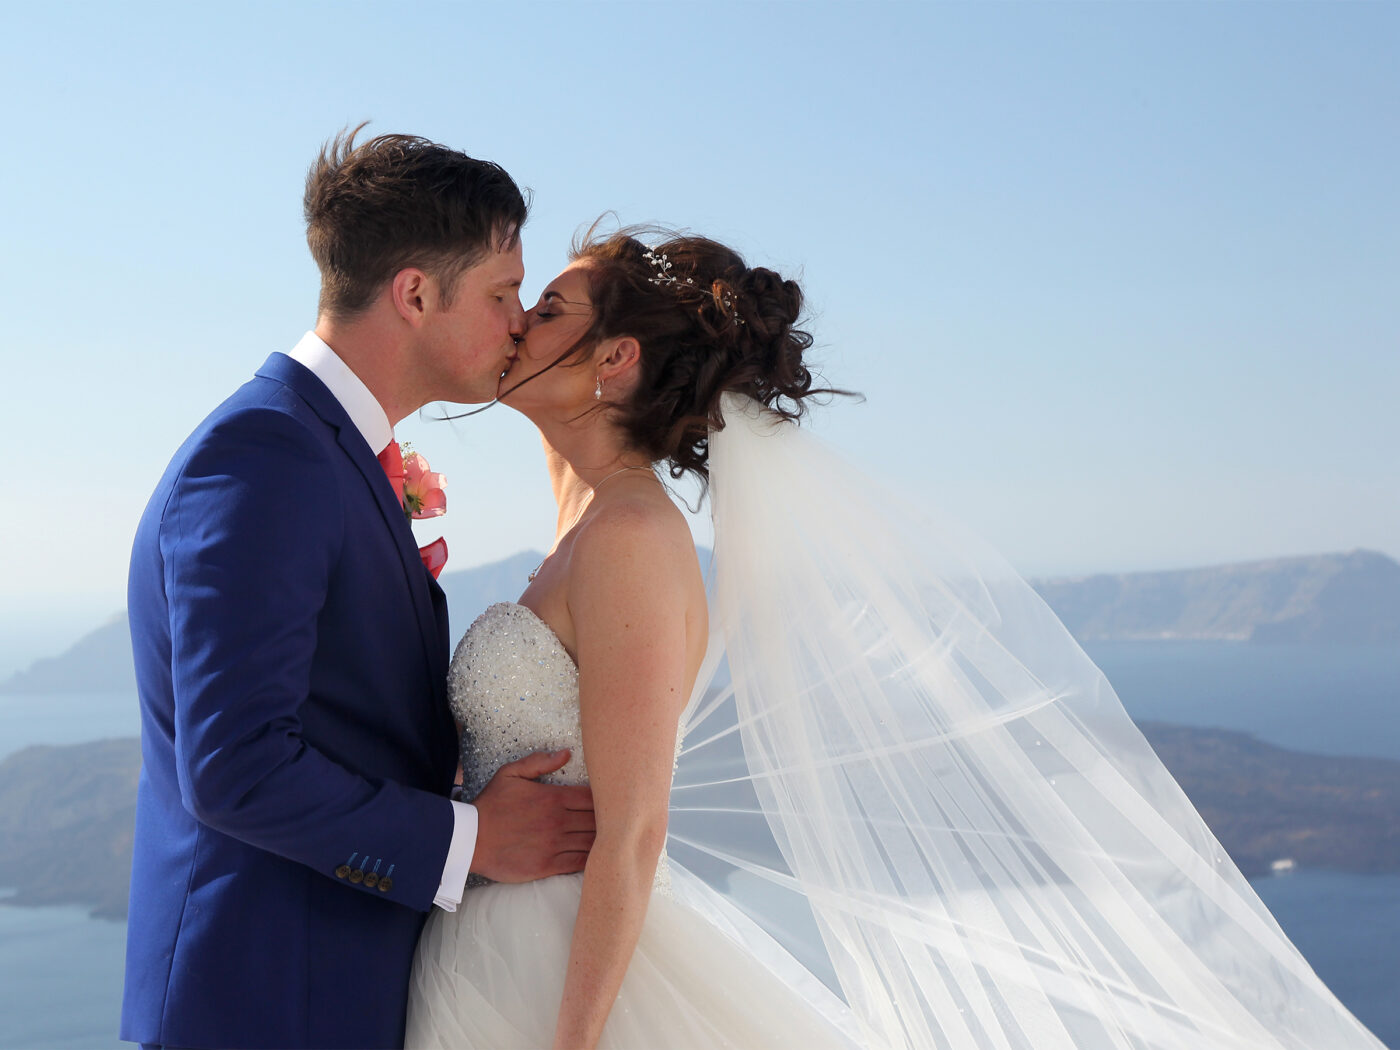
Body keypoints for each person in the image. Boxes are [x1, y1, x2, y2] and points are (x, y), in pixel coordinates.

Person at [405, 228, 1386, 1050]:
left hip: (554, 976)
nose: (515, 322)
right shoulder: (582, 510)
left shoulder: (628, 537)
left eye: (544, 311)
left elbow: (633, 833)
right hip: (492, 931)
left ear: (613, 360)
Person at [122, 129, 595, 1050]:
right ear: (415, 293)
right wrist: (469, 846)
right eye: (503, 293)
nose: (516, 322)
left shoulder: (325, 451)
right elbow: (236, 767)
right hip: (258, 1006)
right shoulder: (264, 457)